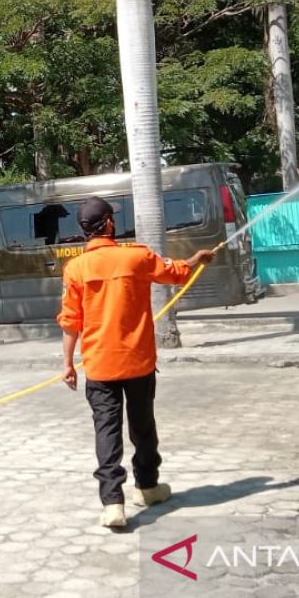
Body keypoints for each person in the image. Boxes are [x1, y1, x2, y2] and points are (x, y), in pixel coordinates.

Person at [57, 196, 216, 529]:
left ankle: (112, 502)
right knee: (143, 426)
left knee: (107, 430)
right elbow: (175, 273)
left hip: (99, 365)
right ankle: (147, 486)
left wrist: (68, 364)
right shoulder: (137, 256)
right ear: (110, 224)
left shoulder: (76, 268)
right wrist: (197, 260)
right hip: (138, 362)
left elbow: (71, 320)